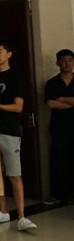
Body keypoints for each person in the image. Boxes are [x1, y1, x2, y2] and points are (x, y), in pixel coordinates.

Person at [0, 38, 36, 230]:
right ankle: (2, 211)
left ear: (9, 54)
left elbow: (18, 106)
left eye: (0, 51)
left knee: (14, 174)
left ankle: (21, 217)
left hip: (9, 131)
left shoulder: (15, 78)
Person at [44, 49, 74, 205]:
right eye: (63, 60)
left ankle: (72, 196)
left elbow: (56, 102)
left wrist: (61, 98)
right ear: (57, 63)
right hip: (58, 129)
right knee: (57, 163)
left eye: (70, 59)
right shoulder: (52, 83)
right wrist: (71, 101)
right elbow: (50, 104)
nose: (67, 63)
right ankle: (55, 195)